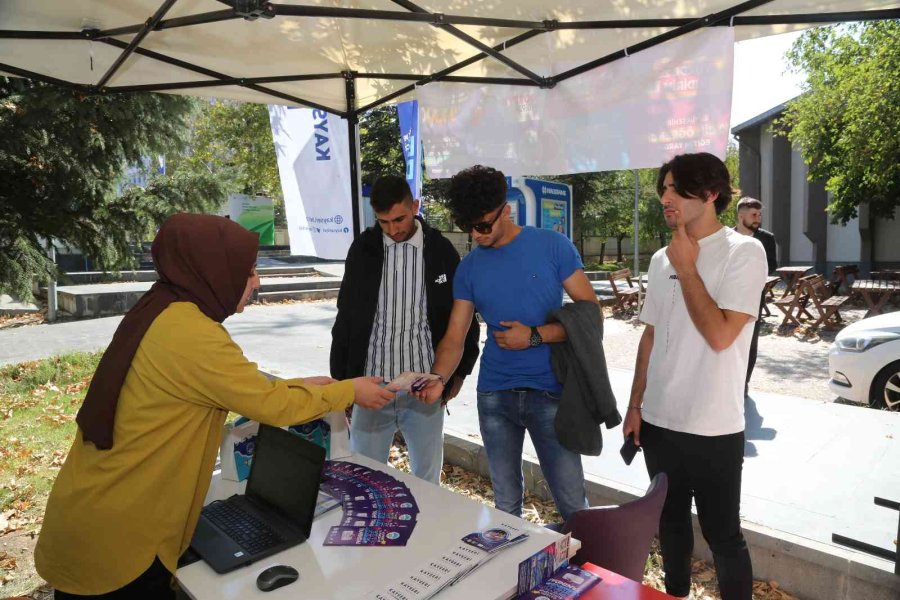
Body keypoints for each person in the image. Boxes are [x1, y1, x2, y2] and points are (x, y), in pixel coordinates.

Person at [35, 213, 393, 599]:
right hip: (121, 541)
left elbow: (232, 386)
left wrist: (300, 385)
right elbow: (270, 405)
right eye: (249, 271)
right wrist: (348, 391)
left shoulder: (164, 308)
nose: (256, 281)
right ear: (213, 270)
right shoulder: (191, 334)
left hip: (96, 514)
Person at [416, 165, 599, 522]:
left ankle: (590, 570)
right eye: (469, 226)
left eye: (484, 225)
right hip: (495, 396)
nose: (476, 234)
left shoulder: (552, 246)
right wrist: (437, 378)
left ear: (506, 211)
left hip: (550, 393)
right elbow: (455, 336)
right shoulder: (469, 268)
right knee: (505, 507)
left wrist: (534, 335)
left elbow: (591, 314)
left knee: (572, 503)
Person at [624, 153, 767, 600]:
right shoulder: (660, 257)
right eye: (662, 188)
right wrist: (634, 405)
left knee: (723, 535)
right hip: (659, 421)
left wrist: (687, 267)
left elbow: (722, 335)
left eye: (674, 189)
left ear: (708, 194)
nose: (665, 198)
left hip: (713, 426)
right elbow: (650, 336)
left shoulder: (744, 251)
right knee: (669, 527)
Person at [330, 175, 479, 484]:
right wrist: (343, 384)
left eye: (399, 218)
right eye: (383, 222)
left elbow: (464, 322)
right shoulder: (363, 250)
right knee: (364, 479)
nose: (393, 228)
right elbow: (345, 319)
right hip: (372, 385)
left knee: (426, 481)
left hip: (423, 387)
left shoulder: (441, 252)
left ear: (415, 206)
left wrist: (457, 375)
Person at [734, 196, 778, 395]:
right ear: (740, 215)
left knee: (750, 342)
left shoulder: (767, 238)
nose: (758, 218)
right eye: (753, 215)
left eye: (759, 215)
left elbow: (772, 266)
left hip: (754, 298)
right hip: (727, 298)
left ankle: (743, 385)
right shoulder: (726, 237)